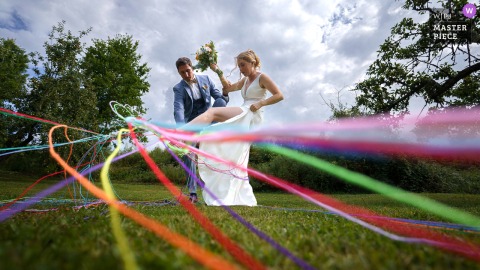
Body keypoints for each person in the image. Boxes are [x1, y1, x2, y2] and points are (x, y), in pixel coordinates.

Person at [185, 49, 284, 206]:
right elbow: (227, 88)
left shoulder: (262, 77)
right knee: (227, 149)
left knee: (213, 112)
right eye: (239, 66)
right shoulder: (244, 81)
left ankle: (181, 133)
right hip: (245, 110)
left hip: (252, 114)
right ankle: (231, 195)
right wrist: (217, 70)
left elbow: (279, 95)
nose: (241, 69)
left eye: (243, 65)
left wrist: (260, 103)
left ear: (253, 63)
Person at [172, 57, 229, 203]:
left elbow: (220, 99)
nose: (186, 74)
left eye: (188, 70)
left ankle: (219, 189)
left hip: (208, 120)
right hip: (191, 124)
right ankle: (193, 193)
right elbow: (178, 109)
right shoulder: (178, 88)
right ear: (179, 74)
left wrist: (226, 93)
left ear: (192, 68)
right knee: (188, 153)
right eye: (182, 73)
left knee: (221, 101)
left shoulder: (206, 79)